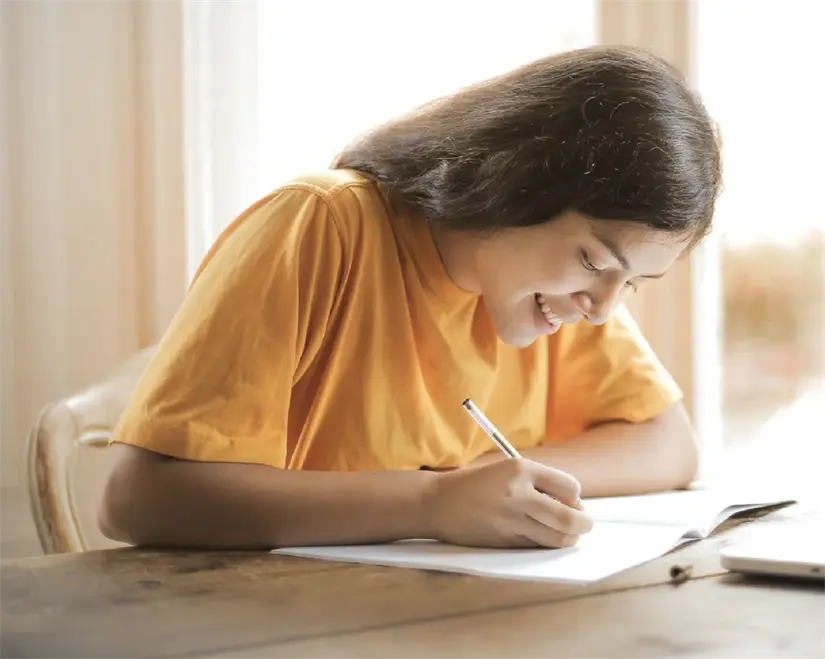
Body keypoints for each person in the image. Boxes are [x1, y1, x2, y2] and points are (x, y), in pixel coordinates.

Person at [98, 45, 722, 552]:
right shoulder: (321, 225)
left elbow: (669, 446)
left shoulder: (558, 293)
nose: (605, 308)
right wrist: (434, 502)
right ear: (515, 185)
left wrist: (493, 484)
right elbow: (138, 498)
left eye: (632, 283)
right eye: (593, 262)